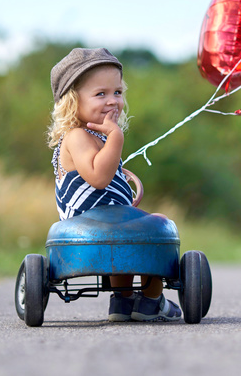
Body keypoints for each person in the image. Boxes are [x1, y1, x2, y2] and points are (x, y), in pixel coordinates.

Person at [47, 47, 182, 322]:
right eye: (101, 94)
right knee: (157, 226)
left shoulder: (99, 138)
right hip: (87, 225)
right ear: (73, 101)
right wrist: (116, 138)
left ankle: (123, 301)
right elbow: (98, 177)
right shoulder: (76, 137)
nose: (113, 101)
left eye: (117, 92)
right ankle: (152, 300)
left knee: (130, 234)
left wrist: (112, 143)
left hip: (110, 224)